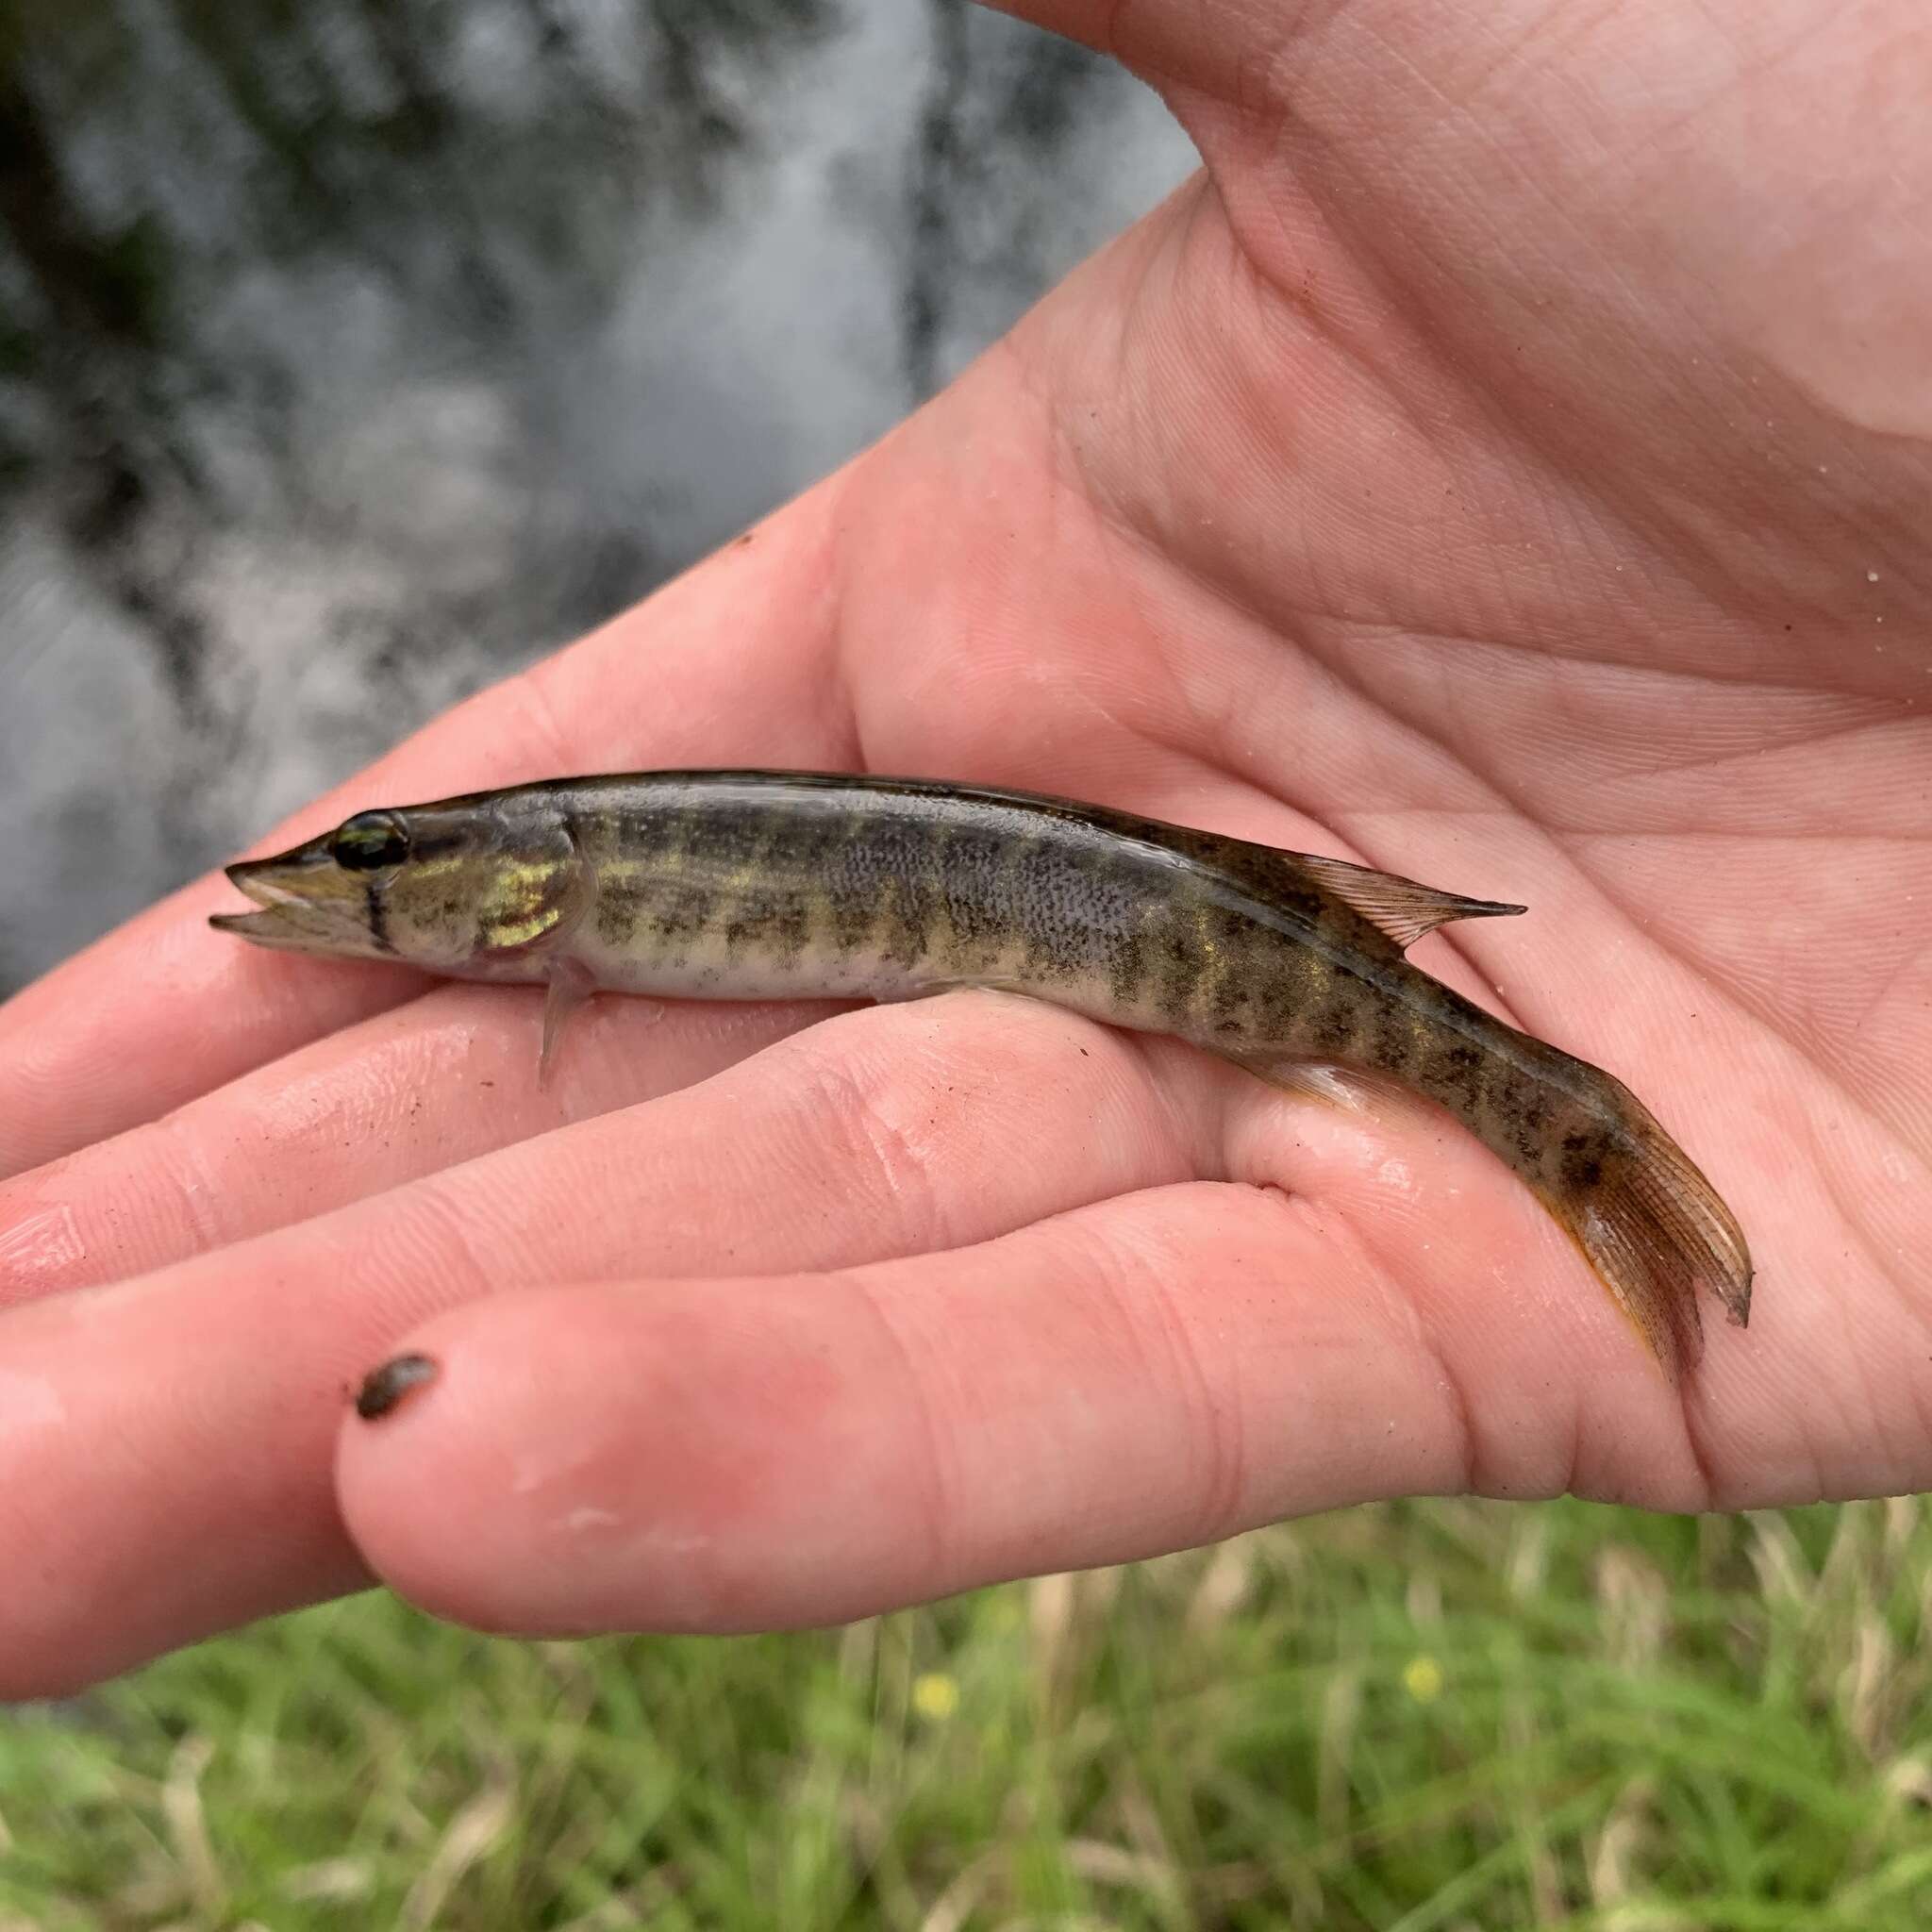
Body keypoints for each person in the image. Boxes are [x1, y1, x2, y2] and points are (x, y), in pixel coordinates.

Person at [0, 0, 1925, 1699]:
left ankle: (1550, 1125)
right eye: (364, 869)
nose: (335, 889)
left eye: (375, 870)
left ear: (492, 889)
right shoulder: (551, 897)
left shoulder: (549, 887)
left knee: (1349, 1025)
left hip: (1218, 941)